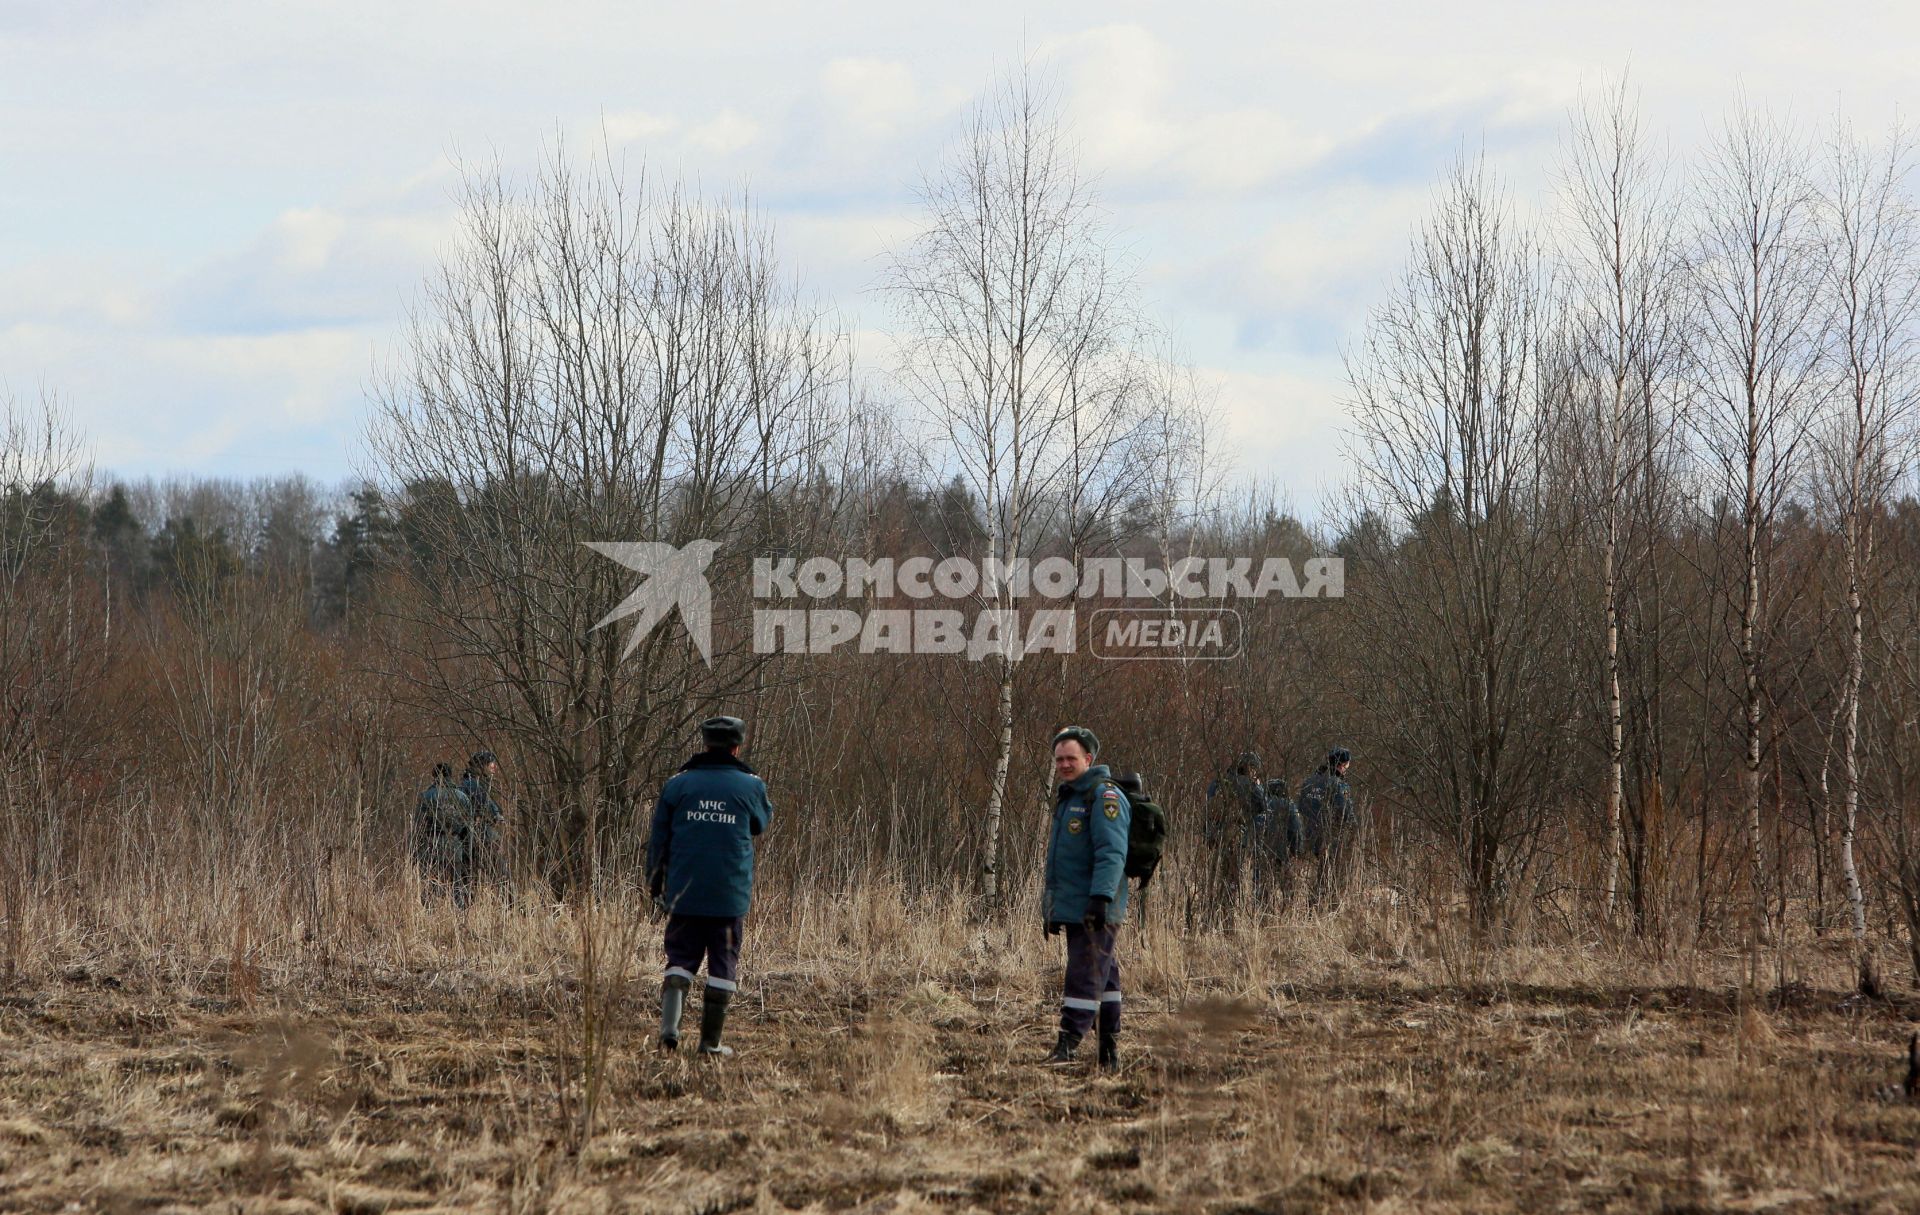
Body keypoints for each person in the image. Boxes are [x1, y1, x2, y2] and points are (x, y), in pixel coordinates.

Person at [646, 715, 773, 1057]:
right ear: (737, 746)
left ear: (705, 744)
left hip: (684, 892)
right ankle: (710, 1043)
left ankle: (670, 1031)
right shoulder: (751, 785)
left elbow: (658, 841)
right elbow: (761, 823)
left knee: (680, 957)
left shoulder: (678, 784)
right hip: (728, 897)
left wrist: (655, 884)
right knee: (723, 962)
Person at [1042, 725, 1130, 1073]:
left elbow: (1112, 852)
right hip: (1077, 903)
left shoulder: (1103, 796)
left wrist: (1100, 899)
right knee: (1103, 975)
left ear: (1088, 759)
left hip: (1095, 904)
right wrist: (1052, 908)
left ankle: (1068, 1043)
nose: (1064, 764)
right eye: (1059, 759)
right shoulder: (1070, 798)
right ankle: (1108, 1050)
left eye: (1071, 758)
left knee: (1084, 972)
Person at [1297, 747, 1355, 899]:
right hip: (1328, 840)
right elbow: (1345, 814)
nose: (1346, 770)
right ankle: (1323, 905)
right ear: (1341, 765)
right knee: (1329, 879)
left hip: (1305, 837)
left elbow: (1300, 808)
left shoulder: (1308, 782)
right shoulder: (1338, 785)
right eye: (1346, 766)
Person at [413, 762, 474, 906]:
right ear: (450, 775)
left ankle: (430, 917)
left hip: (431, 846)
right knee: (457, 886)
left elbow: (418, 825)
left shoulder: (426, 796)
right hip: (454, 846)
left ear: (434, 776)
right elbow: (468, 828)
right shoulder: (462, 797)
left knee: (431, 884)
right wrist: (468, 852)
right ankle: (459, 918)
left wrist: (416, 851)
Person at [459, 750, 505, 888]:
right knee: (501, 874)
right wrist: (496, 816)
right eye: (491, 763)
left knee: (469, 879)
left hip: (472, 836)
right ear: (482, 765)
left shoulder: (474, 782)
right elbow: (487, 807)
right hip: (479, 836)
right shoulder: (473, 784)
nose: (494, 767)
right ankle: (511, 906)